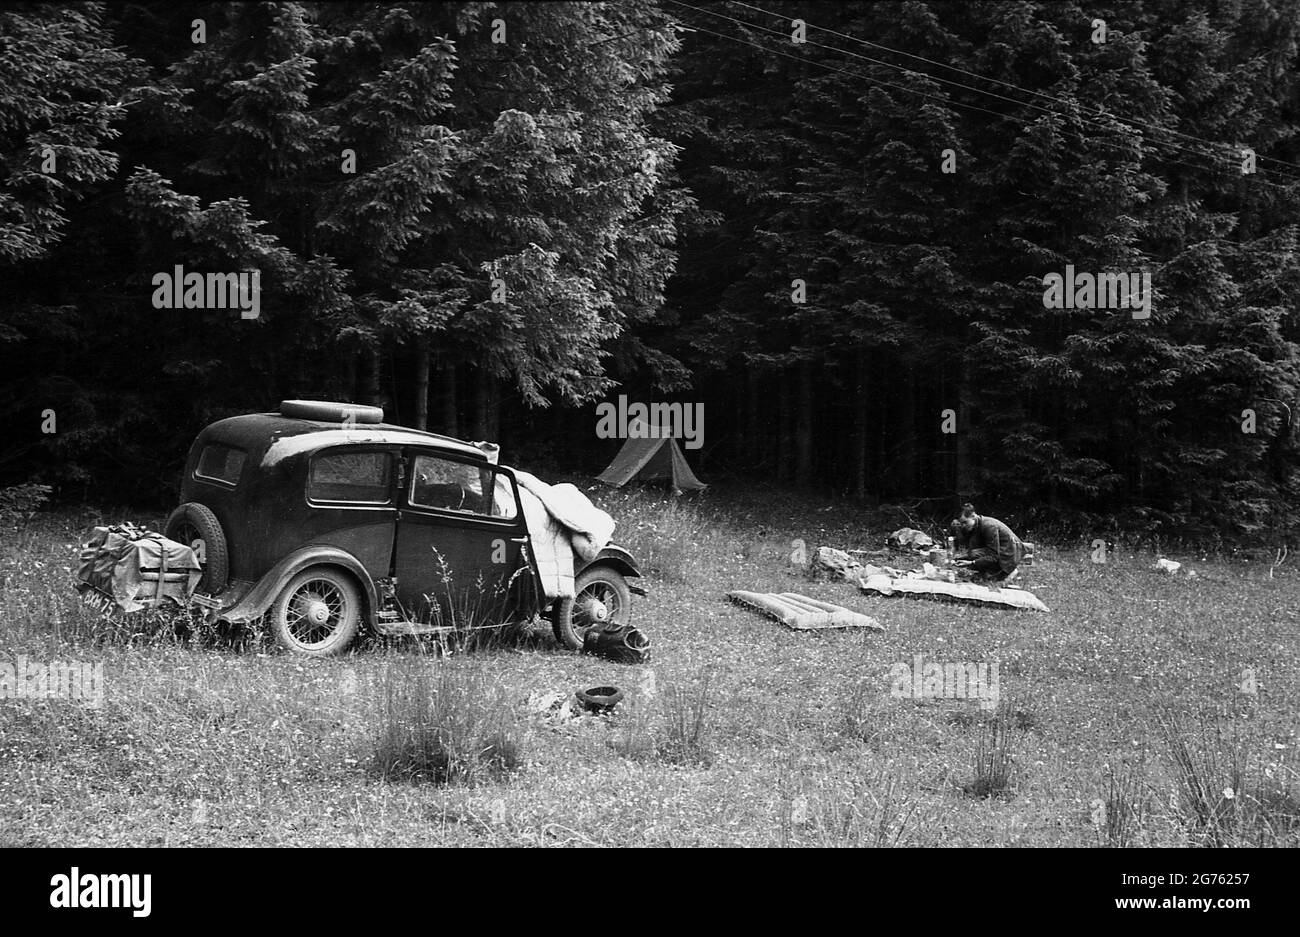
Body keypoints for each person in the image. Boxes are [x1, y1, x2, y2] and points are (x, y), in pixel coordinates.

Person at [949, 503, 1025, 582]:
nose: (963, 526)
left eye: (965, 522)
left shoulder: (989, 526)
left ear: (973, 516)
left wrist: (971, 563)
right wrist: (961, 557)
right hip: (998, 551)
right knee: (972, 555)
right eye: (961, 523)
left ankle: (1009, 572)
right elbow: (974, 549)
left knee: (988, 583)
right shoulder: (975, 525)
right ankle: (987, 573)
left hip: (1009, 555)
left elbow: (993, 555)